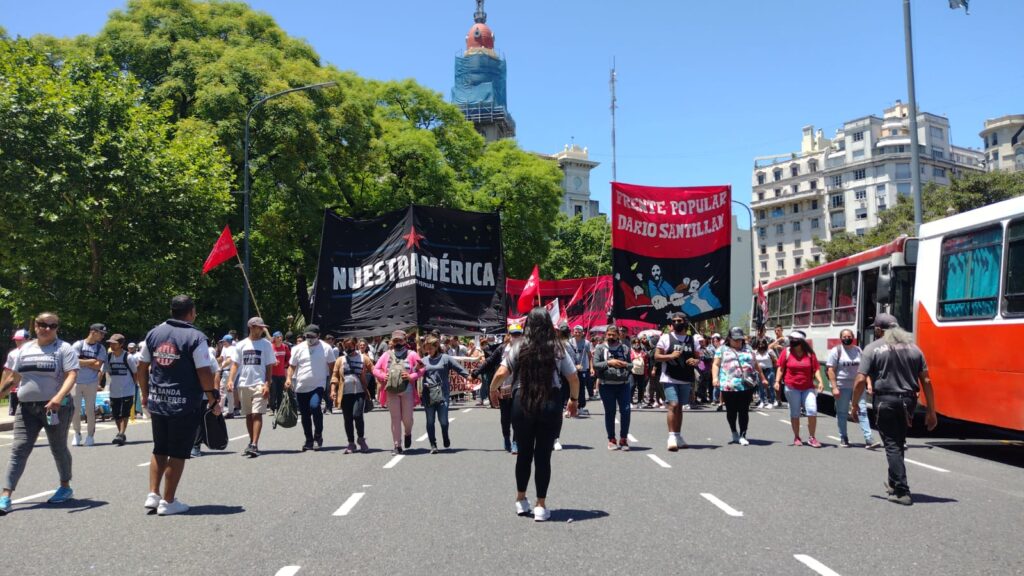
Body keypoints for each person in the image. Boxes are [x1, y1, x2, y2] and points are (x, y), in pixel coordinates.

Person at [490, 307, 580, 522]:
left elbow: (502, 372)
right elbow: (573, 377)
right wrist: (574, 400)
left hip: (523, 401)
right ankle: (541, 505)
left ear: (527, 325)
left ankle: (521, 500)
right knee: (543, 456)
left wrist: (493, 390)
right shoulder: (557, 347)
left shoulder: (518, 345)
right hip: (550, 401)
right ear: (549, 324)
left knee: (524, 453)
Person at [137, 296, 220, 515]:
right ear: (191, 312)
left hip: (158, 400)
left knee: (159, 447)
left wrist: (145, 394)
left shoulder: (154, 333)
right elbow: (204, 371)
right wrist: (212, 398)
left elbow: (141, 366)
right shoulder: (196, 337)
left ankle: (153, 494)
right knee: (179, 452)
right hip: (184, 403)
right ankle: (168, 501)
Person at [852, 314, 937, 505]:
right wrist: (931, 410)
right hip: (908, 401)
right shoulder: (915, 349)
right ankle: (893, 482)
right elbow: (927, 380)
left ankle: (901, 490)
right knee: (898, 442)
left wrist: (855, 404)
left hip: (886, 400)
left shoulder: (872, 348)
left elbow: (859, 380)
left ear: (879, 330)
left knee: (891, 444)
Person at [0, 313, 79, 515]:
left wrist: (58, 398)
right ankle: (6, 495)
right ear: (35, 325)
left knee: (58, 447)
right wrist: (2, 392)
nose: (46, 328)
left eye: (51, 325)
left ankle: (65, 486)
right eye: (42, 324)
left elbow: (72, 374)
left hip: (55, 407)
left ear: (57, 328)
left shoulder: (63, 348)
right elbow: (15, 377)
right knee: (19, 449)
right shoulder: (24, 349)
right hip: (26, 408)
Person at [228, 317, 277, 457]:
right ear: (251, 327)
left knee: (257, 414)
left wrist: (267, 383)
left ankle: (254, 443)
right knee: (248, 415)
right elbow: (235, 364)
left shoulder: (266, 344)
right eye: (259, 327)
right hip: (244, 383)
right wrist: (231, 380)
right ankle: (251, 442)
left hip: (259, 383)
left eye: (263, 327)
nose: (262, 330)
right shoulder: (241, 345)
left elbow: (269, 366)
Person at [712, 327, 769, 445]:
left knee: (744, 410)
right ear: (729, 338)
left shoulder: (748, 349)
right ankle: (734, 432)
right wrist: (715, 378)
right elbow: (716, 364)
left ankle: (743, 434)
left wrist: (763, 378)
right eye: (735, 340)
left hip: (746, 385)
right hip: (729, 385)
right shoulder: (722, 349)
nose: (738, 342)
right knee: (731, 411)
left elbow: (756, 364)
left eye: (740, 339)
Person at [372, 330, 424, 454]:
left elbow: (422, 369)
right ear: (391, 341)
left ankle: (408, 433)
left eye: (400, 340)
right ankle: (397, 445)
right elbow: (375, 369)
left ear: (405, 341)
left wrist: (412, 376)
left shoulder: (412, 354)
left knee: (407, 418)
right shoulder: (386, 355)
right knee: (395, 418)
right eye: (395, 340)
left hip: (407, 389)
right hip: (391, 390)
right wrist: (383, 375)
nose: (397, 342)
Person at [654, 312, 700, 451]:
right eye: (674, 321)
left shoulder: (693, 340)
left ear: (685, 322)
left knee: (680, 407)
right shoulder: (666, 338)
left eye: (680, 320)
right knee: (673, 404)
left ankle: (678, 436)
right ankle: (671, 437)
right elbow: (656, 356)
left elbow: (698, 358)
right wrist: (670, 356)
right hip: (669, 377)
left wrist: (695, 361)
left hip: (685, 377)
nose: (677, 323)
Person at [286, 324, 336, 451]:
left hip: (318, 385)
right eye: (307, 336)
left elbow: (332, 367)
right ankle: (308, 440)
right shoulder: (298, 348)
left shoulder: (326, 348)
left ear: (318, 336)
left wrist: (333, 384)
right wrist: (288, 379)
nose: (309, 338)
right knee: (305, 415)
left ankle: (318, 434)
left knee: (315, 407)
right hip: (301, 386)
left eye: (312, 336)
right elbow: (292, 366)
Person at [418, 336, 470, 454]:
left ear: (436, 347)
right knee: (430, 420)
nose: (428, 351)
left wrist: (469, 377)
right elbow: (415, 373)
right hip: (428, 394)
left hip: (442, 393)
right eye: (426, 349)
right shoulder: (424, 360)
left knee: (443, 420)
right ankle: (433, 444)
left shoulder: (446, 358)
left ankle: (445, 435)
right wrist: (417, 368)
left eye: (430, 348)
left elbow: (459, 368)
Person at [774, 330, 825, 447]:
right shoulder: (786, 352)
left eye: (794, 340)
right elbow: (780, 368)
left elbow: (816, 369)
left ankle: (812, 437)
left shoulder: (810, 354)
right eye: (791, 340)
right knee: (795, 413)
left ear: (801, 342)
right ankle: (797, 436)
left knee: (812, 410)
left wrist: (820, 381)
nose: (792, 342)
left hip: (808, 387)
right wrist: (777, 381)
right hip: (792, 387)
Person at [827, 329, 876, 448]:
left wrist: (868, 384)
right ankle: (843, 437)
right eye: (844, 336)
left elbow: (864, 370)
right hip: (842, 386)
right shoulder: (836, 351)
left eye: (849, 336)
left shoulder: (858, 350)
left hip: (857, 386)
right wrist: (834, 387)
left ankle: (869, 439)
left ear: (853, 337)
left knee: (862, 411)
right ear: (841, 338)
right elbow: (831, 370)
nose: (846, 338)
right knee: (842, 413)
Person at [479, 326, 522, 453]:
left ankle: (516, 441)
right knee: (505, 417)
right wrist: (475, 373)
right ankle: (506, 438)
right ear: (508, 335)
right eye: (513, 334)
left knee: (517, 416)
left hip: (518, 387)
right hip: (503, 386)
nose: (516, 337)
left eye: (518, 334)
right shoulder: (502, 349)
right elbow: (489, 362)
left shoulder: (525, 348)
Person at [593, 325, 633, 451]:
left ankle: (624, 439)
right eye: (609, 334)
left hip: (623, 385)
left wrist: (624, 364)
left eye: (613, 334)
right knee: (610, 412)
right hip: (606, 386)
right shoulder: (600, 348)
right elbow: (595, 365)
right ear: (606, 335)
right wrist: (609, 363)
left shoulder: (625, 348)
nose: (611, 337)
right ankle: (611, 439)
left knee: (626, 412)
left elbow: (631, 364)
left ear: (618, 335)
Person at [70, 323, 108, 447]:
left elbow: (98, 365)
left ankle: (90, 435)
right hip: (76, 381)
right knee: (75, 410)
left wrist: (83, 362)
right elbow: (73, 361)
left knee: (90, 410)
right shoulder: (78, 345)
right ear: (93, 332)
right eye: (101, 333)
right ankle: (77, 433)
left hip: (91, 383)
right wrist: (90, 361)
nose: (102, 336)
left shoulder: (100, 348)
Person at [331, 337, 371, 454]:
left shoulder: (364, 358)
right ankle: (351, 443)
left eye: (350, 346)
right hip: (345, 394)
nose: (348, 349)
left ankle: (361, 439)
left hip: (359, 392)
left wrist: (384, 378)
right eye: (346, 347)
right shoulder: (340, 360)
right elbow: (335, 376)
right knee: (347, 418)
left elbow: (374, 369)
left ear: (356, 345)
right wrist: (333, 390)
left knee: (357, 415)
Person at [102, 334, 138, 446]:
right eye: (110, 343)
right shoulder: (108, 357)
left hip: (127, 389)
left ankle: (121, 434)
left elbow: (135, 373)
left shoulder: (128, 357)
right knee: (116, 414)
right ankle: (121, 434)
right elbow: (104, 371)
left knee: (124, 413)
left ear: (121, 344)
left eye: (114, 343)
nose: (111, 345)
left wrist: (133, 385)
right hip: (114, 390)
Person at [3, 329, 29, 416]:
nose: (18, 342)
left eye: (20, 339)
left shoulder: (33, 352)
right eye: (16, 340)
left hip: (27, 389)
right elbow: (7, 371)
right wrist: (3, 387)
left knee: (27, 413)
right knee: (14, 414)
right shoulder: (12, 354)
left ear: (27, 339)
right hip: (14, 389)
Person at [569, 326, 594, 416]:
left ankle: (581, 407)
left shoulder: (586, 343)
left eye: (579, 332)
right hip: (571, 368)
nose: (577, 333)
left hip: (583, 369)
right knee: (571, 388)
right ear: (573, 332)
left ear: (582, 333)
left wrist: (591, 368)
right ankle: (570, 407)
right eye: (576, 332)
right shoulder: (570, 342)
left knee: (582, 388)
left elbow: (590, 356)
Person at [269, 331, 290, 418]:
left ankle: (279, 409)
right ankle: (272, 408)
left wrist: (286, 364)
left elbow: (289, 358)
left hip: (281, 374)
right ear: (274, 338)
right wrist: (273, 363)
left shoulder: (285, 347)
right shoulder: (270, 347)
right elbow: (266, 359)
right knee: (272, 393)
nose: (280, 338)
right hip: (272, 374)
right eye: (278, 337)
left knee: (280, 393)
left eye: (281, 337)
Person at [753, 338, 777, 409]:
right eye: (759, 344)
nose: (761, 345)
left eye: (762, 343)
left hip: (769, 370)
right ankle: (762, 401)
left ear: (765, 344)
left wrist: (773, 365)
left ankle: (771, 401)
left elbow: (775, 361)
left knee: (770, 386)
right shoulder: (755, 352)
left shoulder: (769, 351)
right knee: (760, 386)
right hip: (759, 371)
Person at [217, 334, 235, 417]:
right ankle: (231, 411)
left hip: (228, 372)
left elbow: (229, 360)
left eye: (223, 341)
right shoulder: (226, 348)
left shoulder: (231, 348)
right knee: (229, 392)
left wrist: (221, 367)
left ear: (228, 341)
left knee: (222, 390)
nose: (222, 343)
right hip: (229, 372)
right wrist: (214, 361)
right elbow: (221, 358)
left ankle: (219, 410)